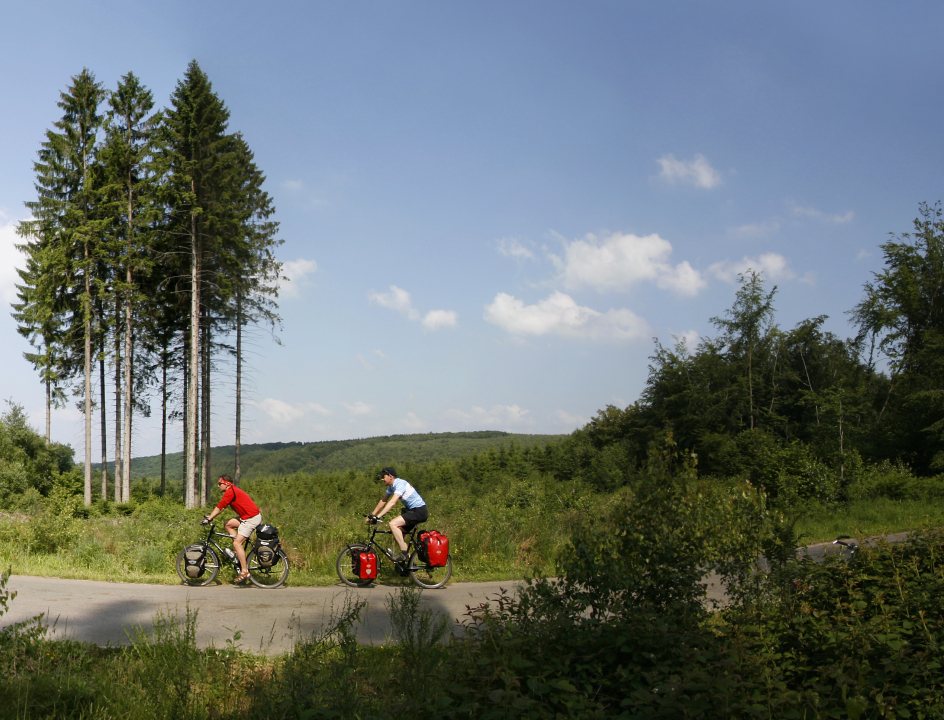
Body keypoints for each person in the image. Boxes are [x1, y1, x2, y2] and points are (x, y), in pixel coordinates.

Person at [202, 474, 262, 583]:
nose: (218, 486)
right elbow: (220, 507)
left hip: (251, 518)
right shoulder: (232, 490)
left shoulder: (230, 492)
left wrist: (210, 518)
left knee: (237, 543)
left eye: (220, 483)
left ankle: (244, 571)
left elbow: (220, 507)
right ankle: (236, 551)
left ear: (227, 483)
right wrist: (210, 516)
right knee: (228, 524)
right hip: (247, 517)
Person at [369, 467, 428, 563]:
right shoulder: (391, 487)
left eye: (383, 477)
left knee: (393, 524)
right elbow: (383, 500)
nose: (382, 479)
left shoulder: (400, 484)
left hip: (419, 511)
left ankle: (404, 555)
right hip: (412, 511)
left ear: (390, 476)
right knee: (398, 533)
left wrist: (378, 516)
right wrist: (372, 515)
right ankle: (407, 562)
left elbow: (392, 502)